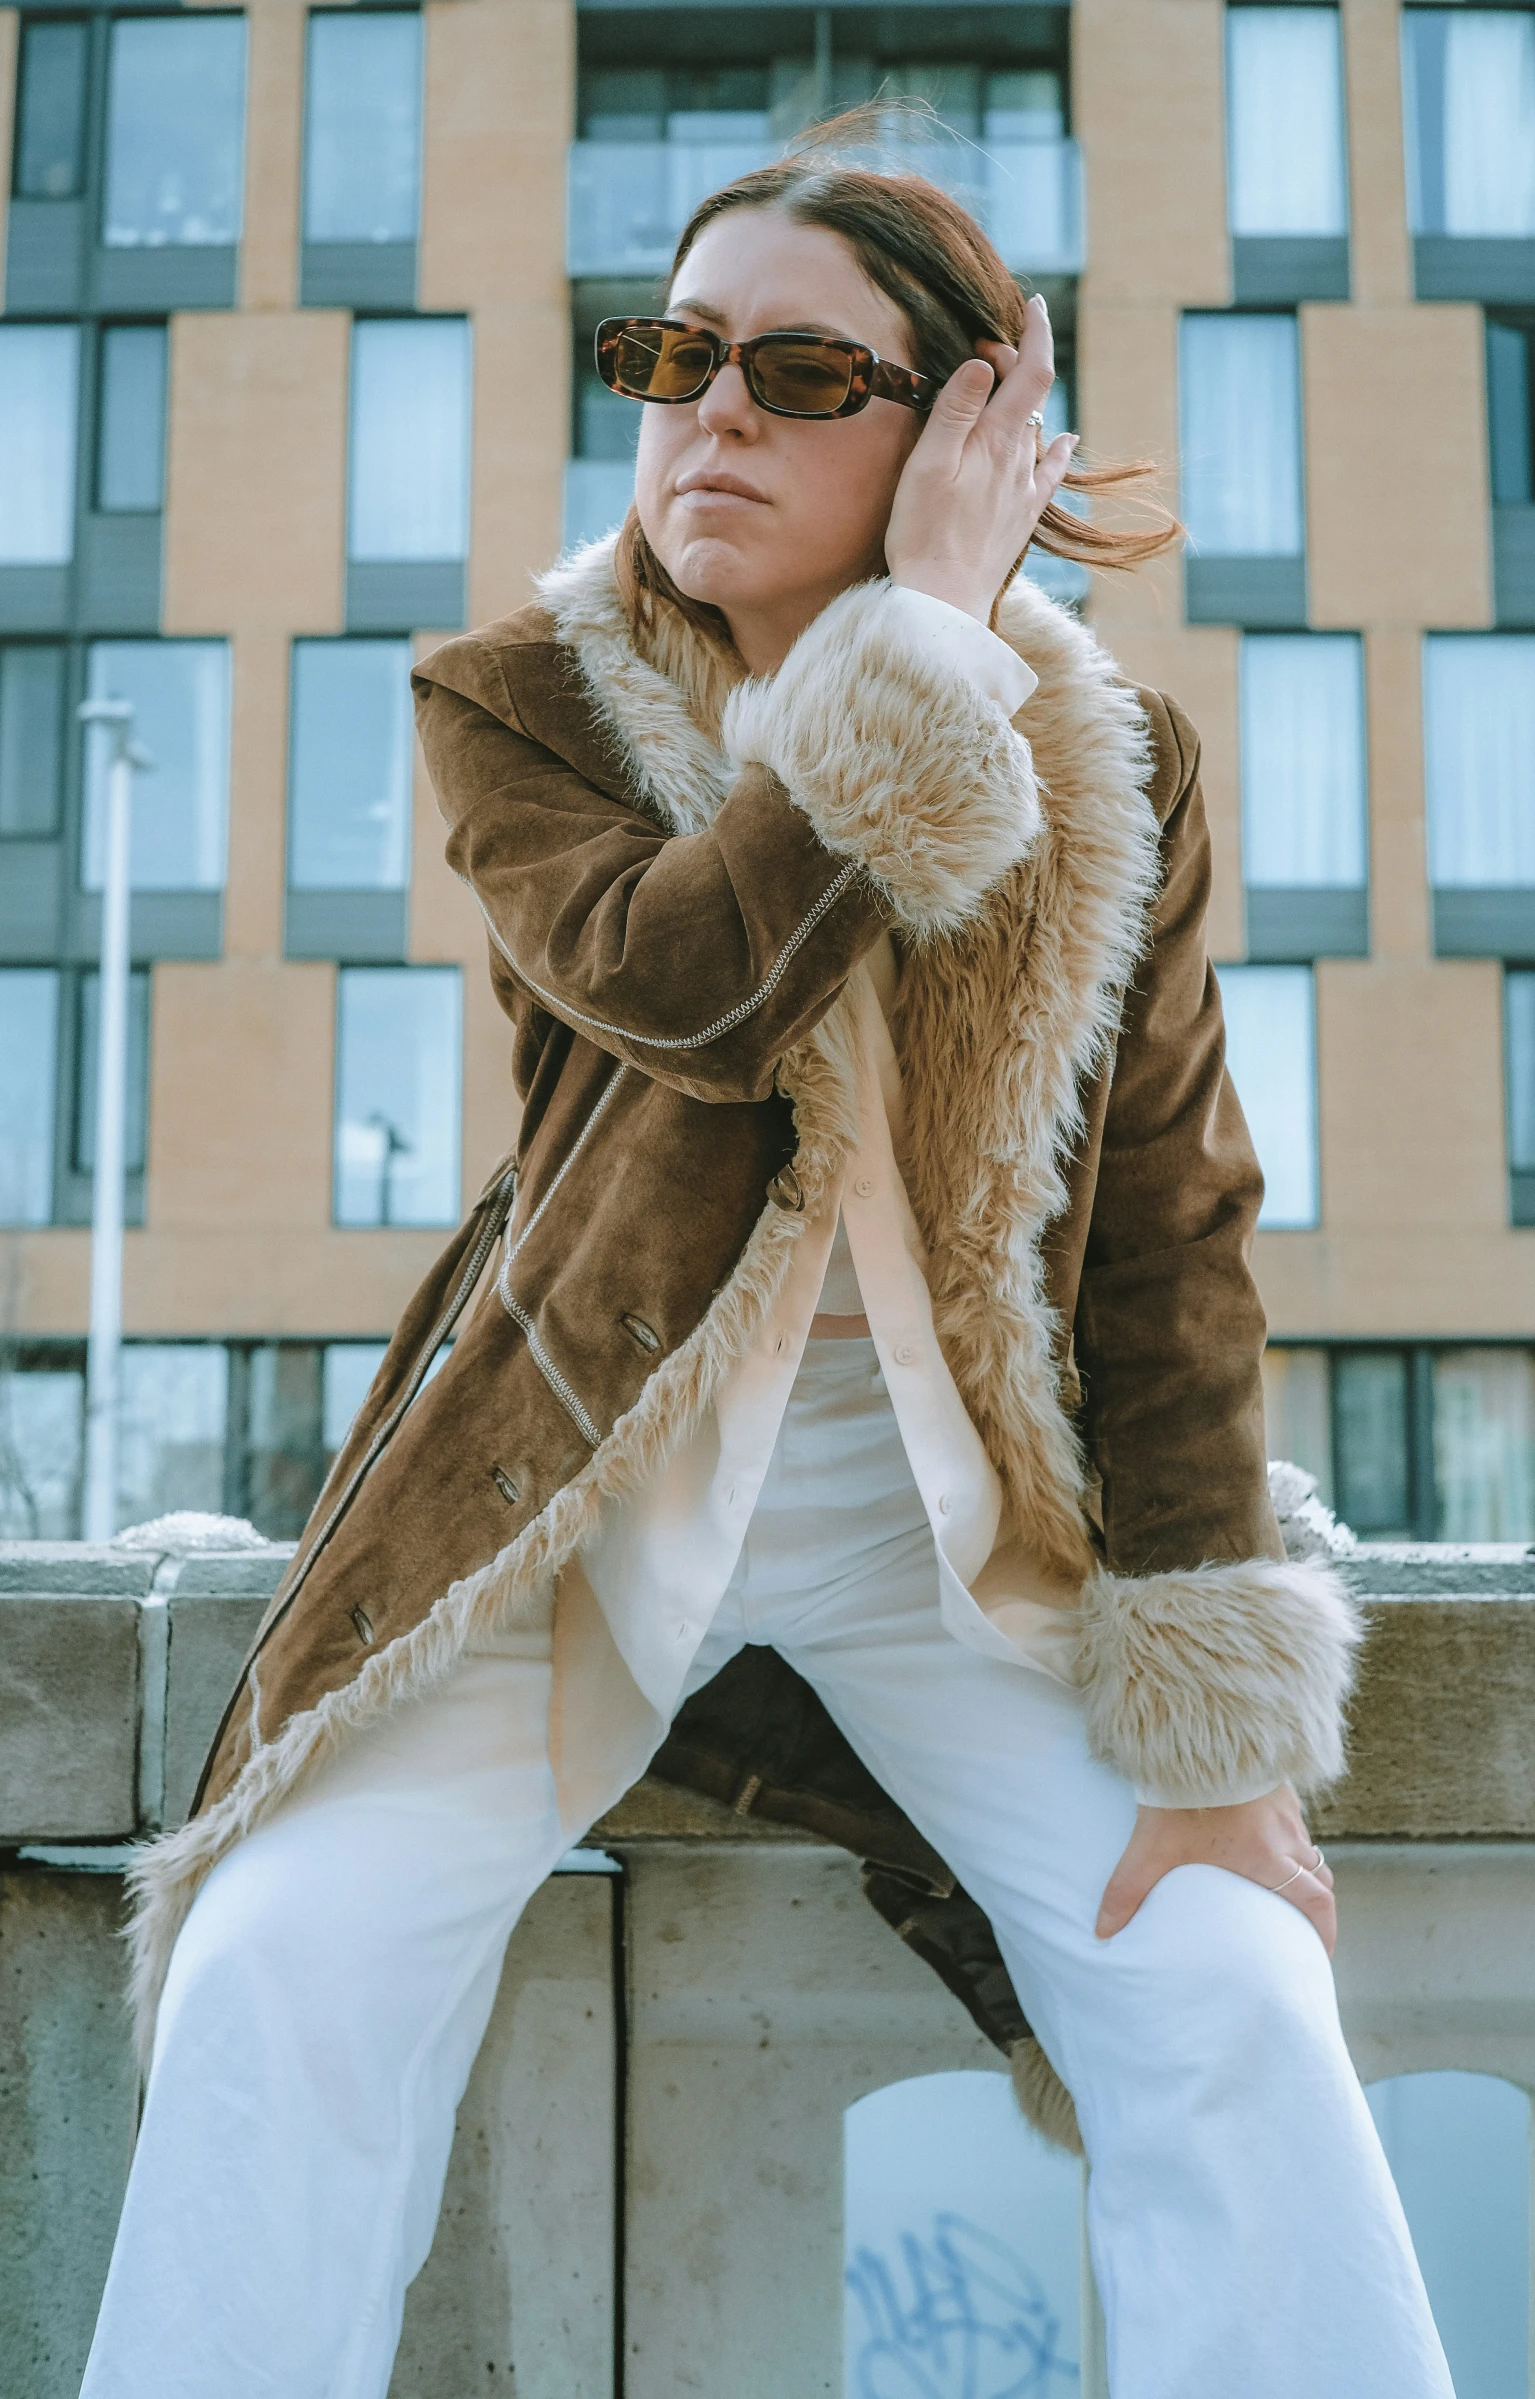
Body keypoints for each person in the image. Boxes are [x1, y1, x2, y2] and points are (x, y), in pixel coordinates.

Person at [82, 137, 1455, 2399]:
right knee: (273, 1962)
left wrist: (1216, 1725)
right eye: (672, 352)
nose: (707, 410)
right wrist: (911, 645)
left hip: (949, 1527)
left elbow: (1167, 1226)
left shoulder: (1116, 766)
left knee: (1224, 1977)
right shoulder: (522, 696)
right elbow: (690, 986)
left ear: (954, 430)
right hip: (569, 1497)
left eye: (797, 368)